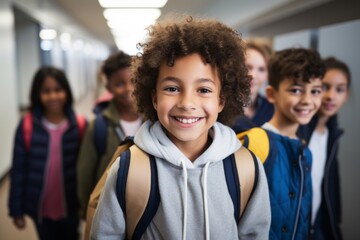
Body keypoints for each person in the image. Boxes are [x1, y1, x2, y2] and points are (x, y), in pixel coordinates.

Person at [90, 16, 271, 239]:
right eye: (172, 88)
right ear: (154, 97)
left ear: (222, 100)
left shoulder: (246, 167)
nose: (187, 103)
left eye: (203, 90)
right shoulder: (129, 168)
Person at [239, 48, 325, 239]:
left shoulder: (305, 150)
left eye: (316, 91)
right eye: (296, 90)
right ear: (271, 94)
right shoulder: (255, 142)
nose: (307, 100)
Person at [8, 66, 86, 240]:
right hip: (40, 209)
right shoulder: (27, 126)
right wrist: (16, 210)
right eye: (46, 91)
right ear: (37, 94)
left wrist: (86, 203)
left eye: (58, 90)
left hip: (71, 206)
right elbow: (18, 170)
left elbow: (85, 171)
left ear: (66, 91)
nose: (53, 96)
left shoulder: (79, 125)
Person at [77, 51, 142, 218]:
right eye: (119, 84)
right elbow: (85, 173)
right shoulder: (99, 126)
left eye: (133, 81)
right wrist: (88, 208)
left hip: (144, 205)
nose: (128, 89)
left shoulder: (156, 122)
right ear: (108, 88)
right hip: (108, 210)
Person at [299, 57, 350, 240]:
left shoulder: (332, 134)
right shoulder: (298, 130)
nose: (331, 96)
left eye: (340, 89)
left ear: (347, 94)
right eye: (325, 87)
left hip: (319, 224)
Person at [232, 39, 274, 132]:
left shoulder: (272, 109)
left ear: (268, 75)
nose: (253, 75)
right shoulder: (220, 106)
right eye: (248, 67)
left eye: (261, 69)